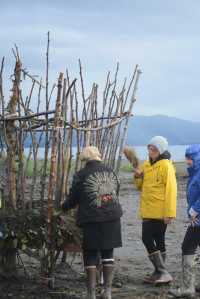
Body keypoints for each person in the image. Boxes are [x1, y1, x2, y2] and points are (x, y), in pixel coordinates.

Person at [62, 146, 123, 299]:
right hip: (112, 217)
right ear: (98, 156)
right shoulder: (111, 171)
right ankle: (107, 292)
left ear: (85, 158)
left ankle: (90, 294)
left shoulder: (81, 174)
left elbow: (73, 198)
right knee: (108, 253)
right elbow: (117, 190)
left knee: (90, 253)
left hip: (92, 219)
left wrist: (63, 207)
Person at [134, 136, 177, 284]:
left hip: (160, 211)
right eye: (149, 148)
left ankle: (163, 272)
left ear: (160, 150)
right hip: (147, 209)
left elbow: (171, 190)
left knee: (147, 238)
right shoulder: (146, 165)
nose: (150, 151)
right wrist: (138, 176)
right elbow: (140, 187)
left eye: (154, 149)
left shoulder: (166, 165)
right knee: (159, 241)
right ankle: (158, 272)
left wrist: (170, 213)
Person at [169, 144, 200, 298]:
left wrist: (195, 210)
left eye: (189, 158)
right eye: (187, 158)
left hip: (198, 220)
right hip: (196, 219)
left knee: (187, 247)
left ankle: (188, 288)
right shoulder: (195, 173)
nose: (187, 161)